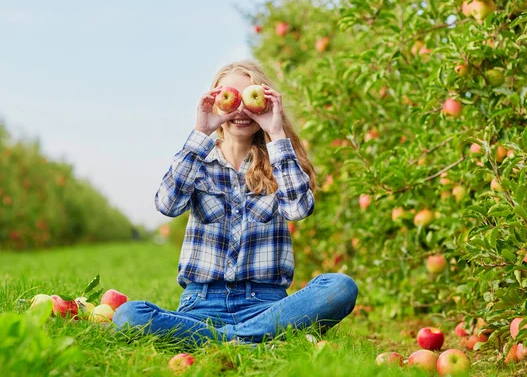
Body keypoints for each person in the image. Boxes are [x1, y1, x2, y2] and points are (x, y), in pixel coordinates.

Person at [113, 60, 358, 345]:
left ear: (264, 102)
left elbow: (299, 209)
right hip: (201, 305)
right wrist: (200, 133)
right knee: (129, 315)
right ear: (217, 103)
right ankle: (253, 340)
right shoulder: (198, 159)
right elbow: (167, 204)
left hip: (265, 305)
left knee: (340, 287)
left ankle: (219, 340)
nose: (241, 110)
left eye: (249, 98)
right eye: (232, 100)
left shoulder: (278, 162)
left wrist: (276, 133)